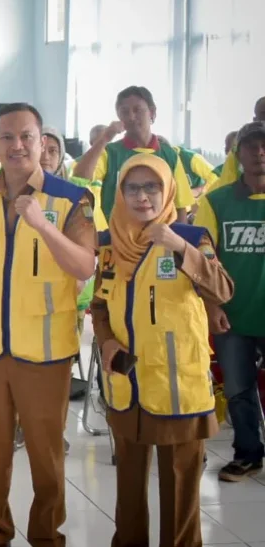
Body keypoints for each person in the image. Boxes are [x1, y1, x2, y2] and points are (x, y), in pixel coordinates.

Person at [0, 103, 98, 547]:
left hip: (45, 350)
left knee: (46, 456)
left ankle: (46, 535)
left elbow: (84, 267)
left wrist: (42, 225)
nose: (17, 145)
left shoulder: (71, 199)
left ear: (42, 142)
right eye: (7, 137)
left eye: (26, 137)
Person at [94, 154, 232, 547]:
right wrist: (104, 340)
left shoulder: (193, 237)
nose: (142, 197)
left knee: (180, 489)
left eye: (151, 186)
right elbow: (100, 305)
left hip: (178, 385)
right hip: (128, 382)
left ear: (168, 189)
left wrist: (177, 245)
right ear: (119, 194)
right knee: (129, 489)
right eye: (132, 188)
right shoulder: (109, 243)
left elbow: (221, 290)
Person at [198, 122, 265, 483]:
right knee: (239, 391)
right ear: (237, 155)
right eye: (251, 147)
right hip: (233, 317)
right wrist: (212, 306)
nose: (259, 154)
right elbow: (204, 260)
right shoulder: (216, 201)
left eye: (264, 147)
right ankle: (248, 454)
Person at [72, 86, 195, 219]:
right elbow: (80, 178)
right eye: (125, 112)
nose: (131, 117)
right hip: (117, 236)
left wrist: (180, 238)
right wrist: (104, 139)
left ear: (152, 113)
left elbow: (180, 206)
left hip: (161, 236)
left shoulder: (169, 155)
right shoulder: (110, 153)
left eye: (138, 110)